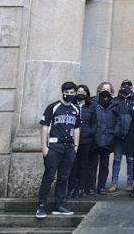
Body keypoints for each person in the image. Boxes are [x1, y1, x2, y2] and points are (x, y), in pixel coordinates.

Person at [36, 81, 81, 219]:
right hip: (54, 147)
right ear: (62, 93)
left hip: (69, 148)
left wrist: (76, 146)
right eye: (66, 93)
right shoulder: (53, 107)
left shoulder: (76, 109)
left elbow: (77, 127)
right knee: (48, 177)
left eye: (72, 93)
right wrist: (44, 147)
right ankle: (41, 206)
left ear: (75, 93)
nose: (69, 95)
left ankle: (60, 205)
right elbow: (44, 126)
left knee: (64, 178)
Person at [110, 80, 134, 193]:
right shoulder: (115, 100)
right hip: (118, 136)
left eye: (128, 85)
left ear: (132, 87)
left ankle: (130, 183)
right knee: (117, 159)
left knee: (130, 160)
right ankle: (114, 183)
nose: (126, 87)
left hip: (130, 135)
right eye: (124, 85)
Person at [68, 84, 97, 198]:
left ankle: (81, 188)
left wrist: (89, 132)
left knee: (83, 165)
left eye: (83, 92)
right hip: (72, 140)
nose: (81, 93)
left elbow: (95, 124)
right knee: (72, 165)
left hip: (86, 140)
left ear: (87, 94)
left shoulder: (92, 107)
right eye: (79, 91)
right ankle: (71, 189)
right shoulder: (72, 106)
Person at [94, 83, 117, 195]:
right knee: (92, 165)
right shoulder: (93, 103)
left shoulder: (115, 104)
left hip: (108, 138)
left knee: (104, 165)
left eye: (108, 89)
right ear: (99, 90)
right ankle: (90, 186)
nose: (106, 91)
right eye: (103, 89)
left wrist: (114, 132)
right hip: (95, 138)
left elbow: (119, 120)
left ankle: (101, 186)